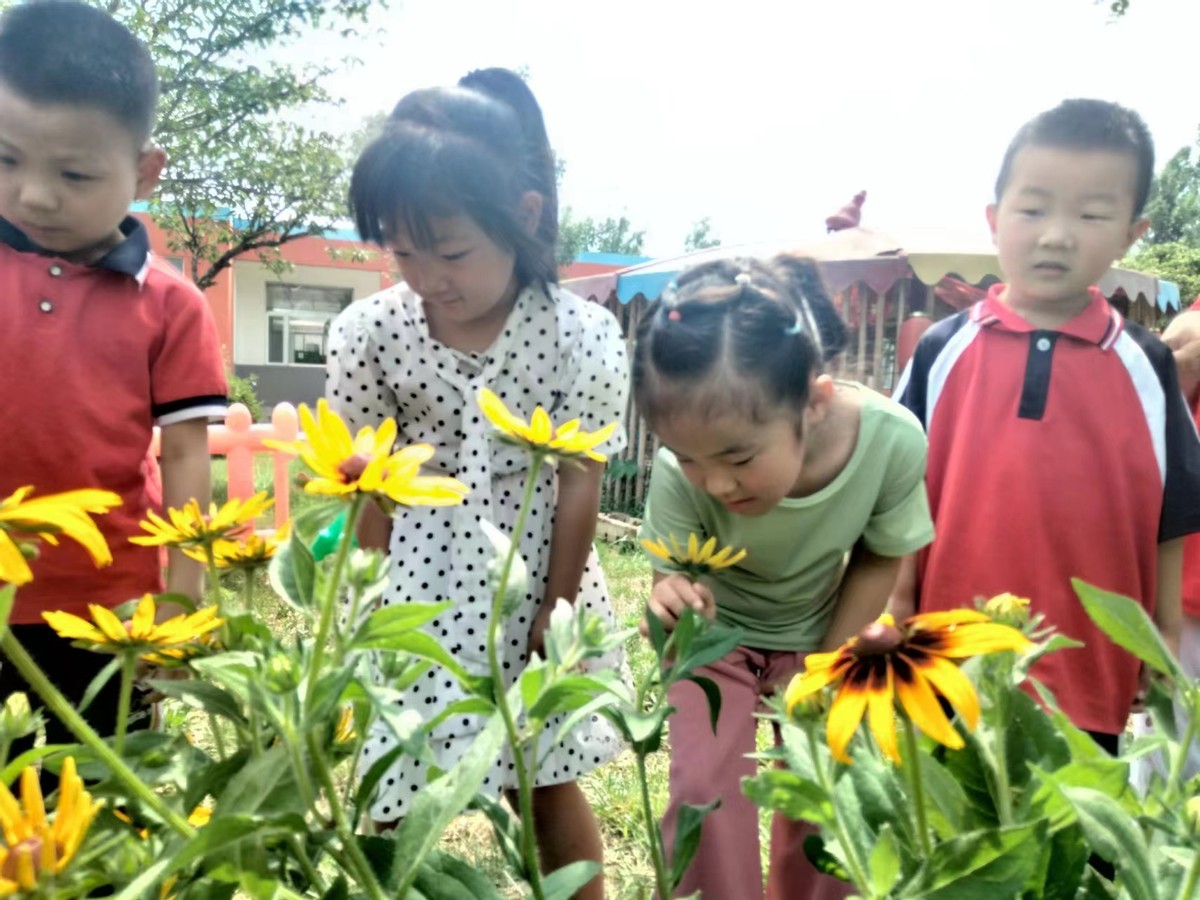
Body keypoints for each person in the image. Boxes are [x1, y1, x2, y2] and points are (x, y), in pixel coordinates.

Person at [326, 68, 627, 898]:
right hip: (416, 583)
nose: (426, 275)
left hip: (535, 570)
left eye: (451, 250)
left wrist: (554, 609)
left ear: (524, 218)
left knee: (544, 771)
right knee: (393, 759)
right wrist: (359, 597)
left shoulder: (580, 335)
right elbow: (366, 482)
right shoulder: (369, 332)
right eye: (403, 250)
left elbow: (578, 480)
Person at [892, 99, 1200, 759]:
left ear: (1131, 232)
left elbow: (1175, 513)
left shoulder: (1145, 363)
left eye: (1091, 214)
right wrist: (896, 605)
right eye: (1033, 209)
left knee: (1078, 858)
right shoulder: (942, 351)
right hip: (947, 662)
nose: (1057, 235)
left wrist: (1163, 639)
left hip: (1091, 679)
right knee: (950, 845)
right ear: (994, 218)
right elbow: (894, 494)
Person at [634, 255, 934, 900]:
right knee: (705, 792)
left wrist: (823, 664)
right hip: (716, 641)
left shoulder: (892, 442)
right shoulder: (675, 472)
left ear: (814, 403)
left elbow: (883, 554)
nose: (714, 482)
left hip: (828, 631)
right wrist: (668, 595)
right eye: (689, 456)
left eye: (739, 456)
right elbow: (671, 575)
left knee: (835, 790)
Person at [0, 1, 226, 748]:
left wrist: (182, 602)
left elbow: (189, 453)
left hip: (110, 610)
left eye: (74, 172)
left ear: (145, 171)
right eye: (5, 160)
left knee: (107, 796)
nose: (34, 194)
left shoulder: (170, 305)